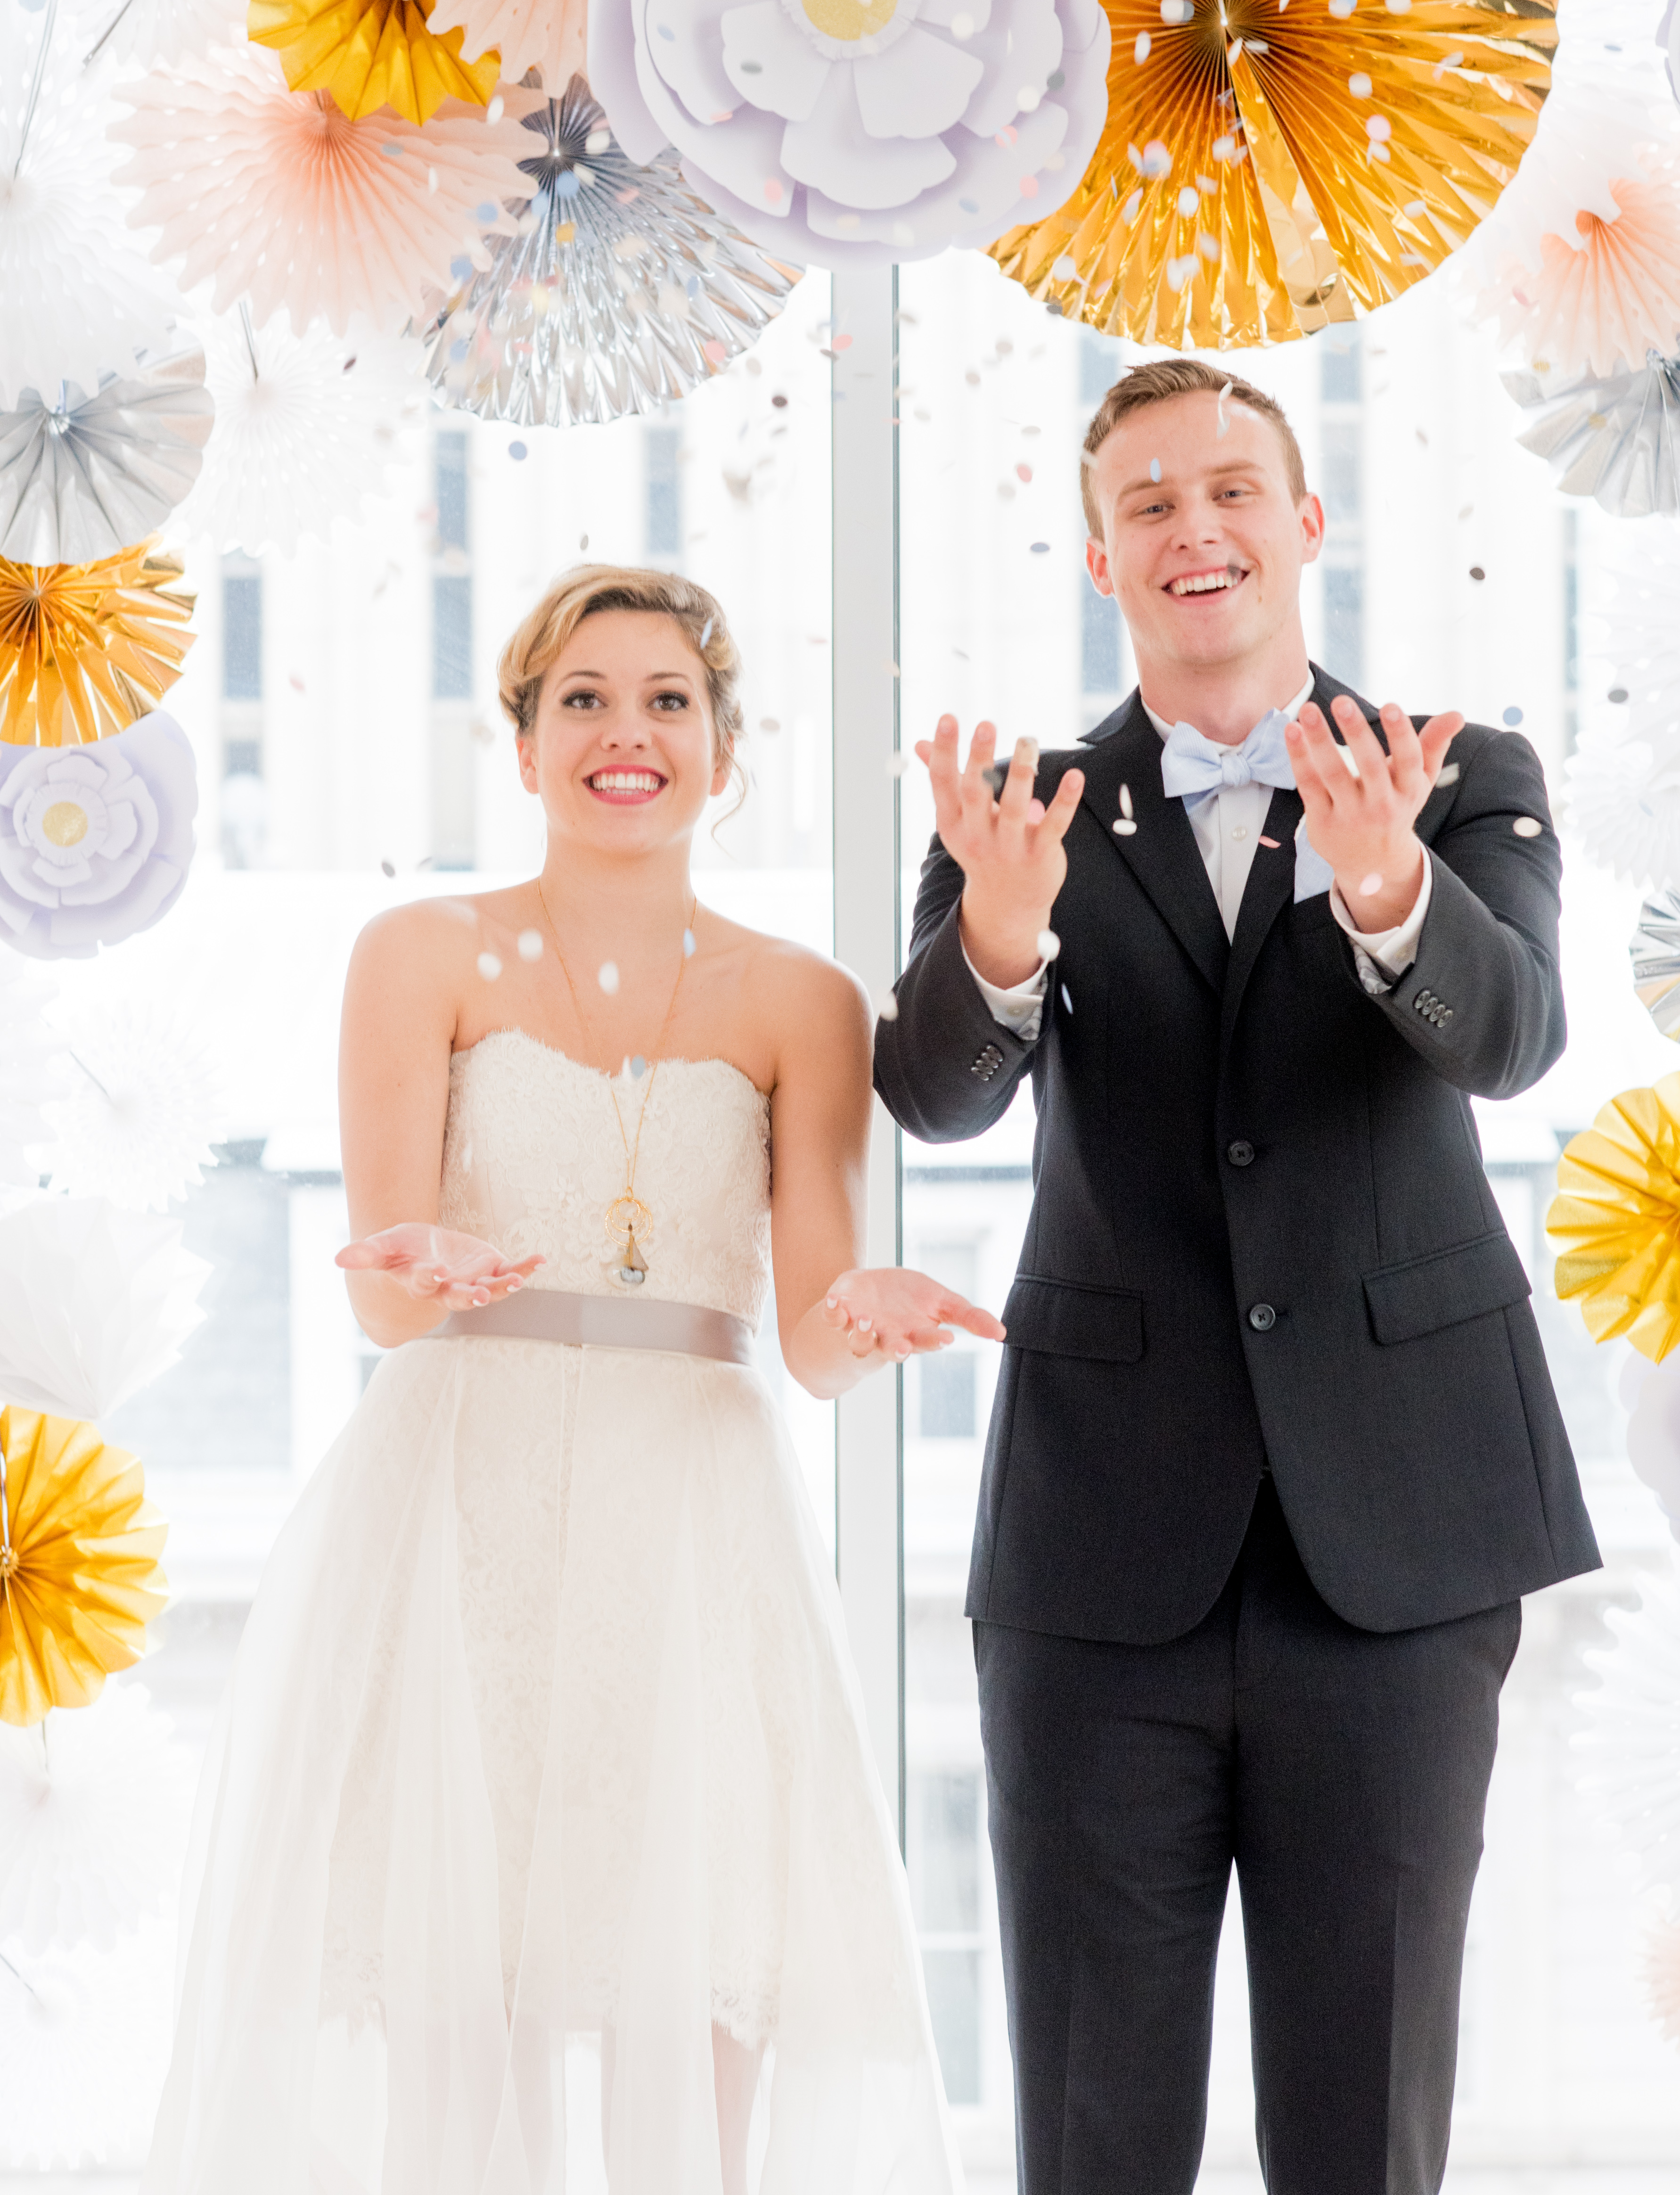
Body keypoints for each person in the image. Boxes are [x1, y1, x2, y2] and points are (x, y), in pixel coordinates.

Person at [145, 565, 992, 2195]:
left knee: (716, 1956)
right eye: (584, 699)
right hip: (471, 1501)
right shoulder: (421, 953)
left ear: (724, 752)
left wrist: (867, 1310)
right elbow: (392, 1304)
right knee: (462, 1988)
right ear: (524, 743)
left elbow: (810, 1342)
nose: (628, 732)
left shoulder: (806, 1000)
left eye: (668, 700)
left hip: (697, 1510)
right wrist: (410, 1268)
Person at [874, 356, 1600, 2195]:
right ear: (1100, 552)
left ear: (1303, 525)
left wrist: (1384, 898)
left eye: (1228, 490)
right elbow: (936, 1086)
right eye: (1148, 501)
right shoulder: (1020, 810)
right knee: (1093, 2124)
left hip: (1401, 1543)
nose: (1192, 526)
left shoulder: (1454, 770)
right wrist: (1003, 928)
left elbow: (1510, 1040)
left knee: (1360, 2128)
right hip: (1097, 1557)